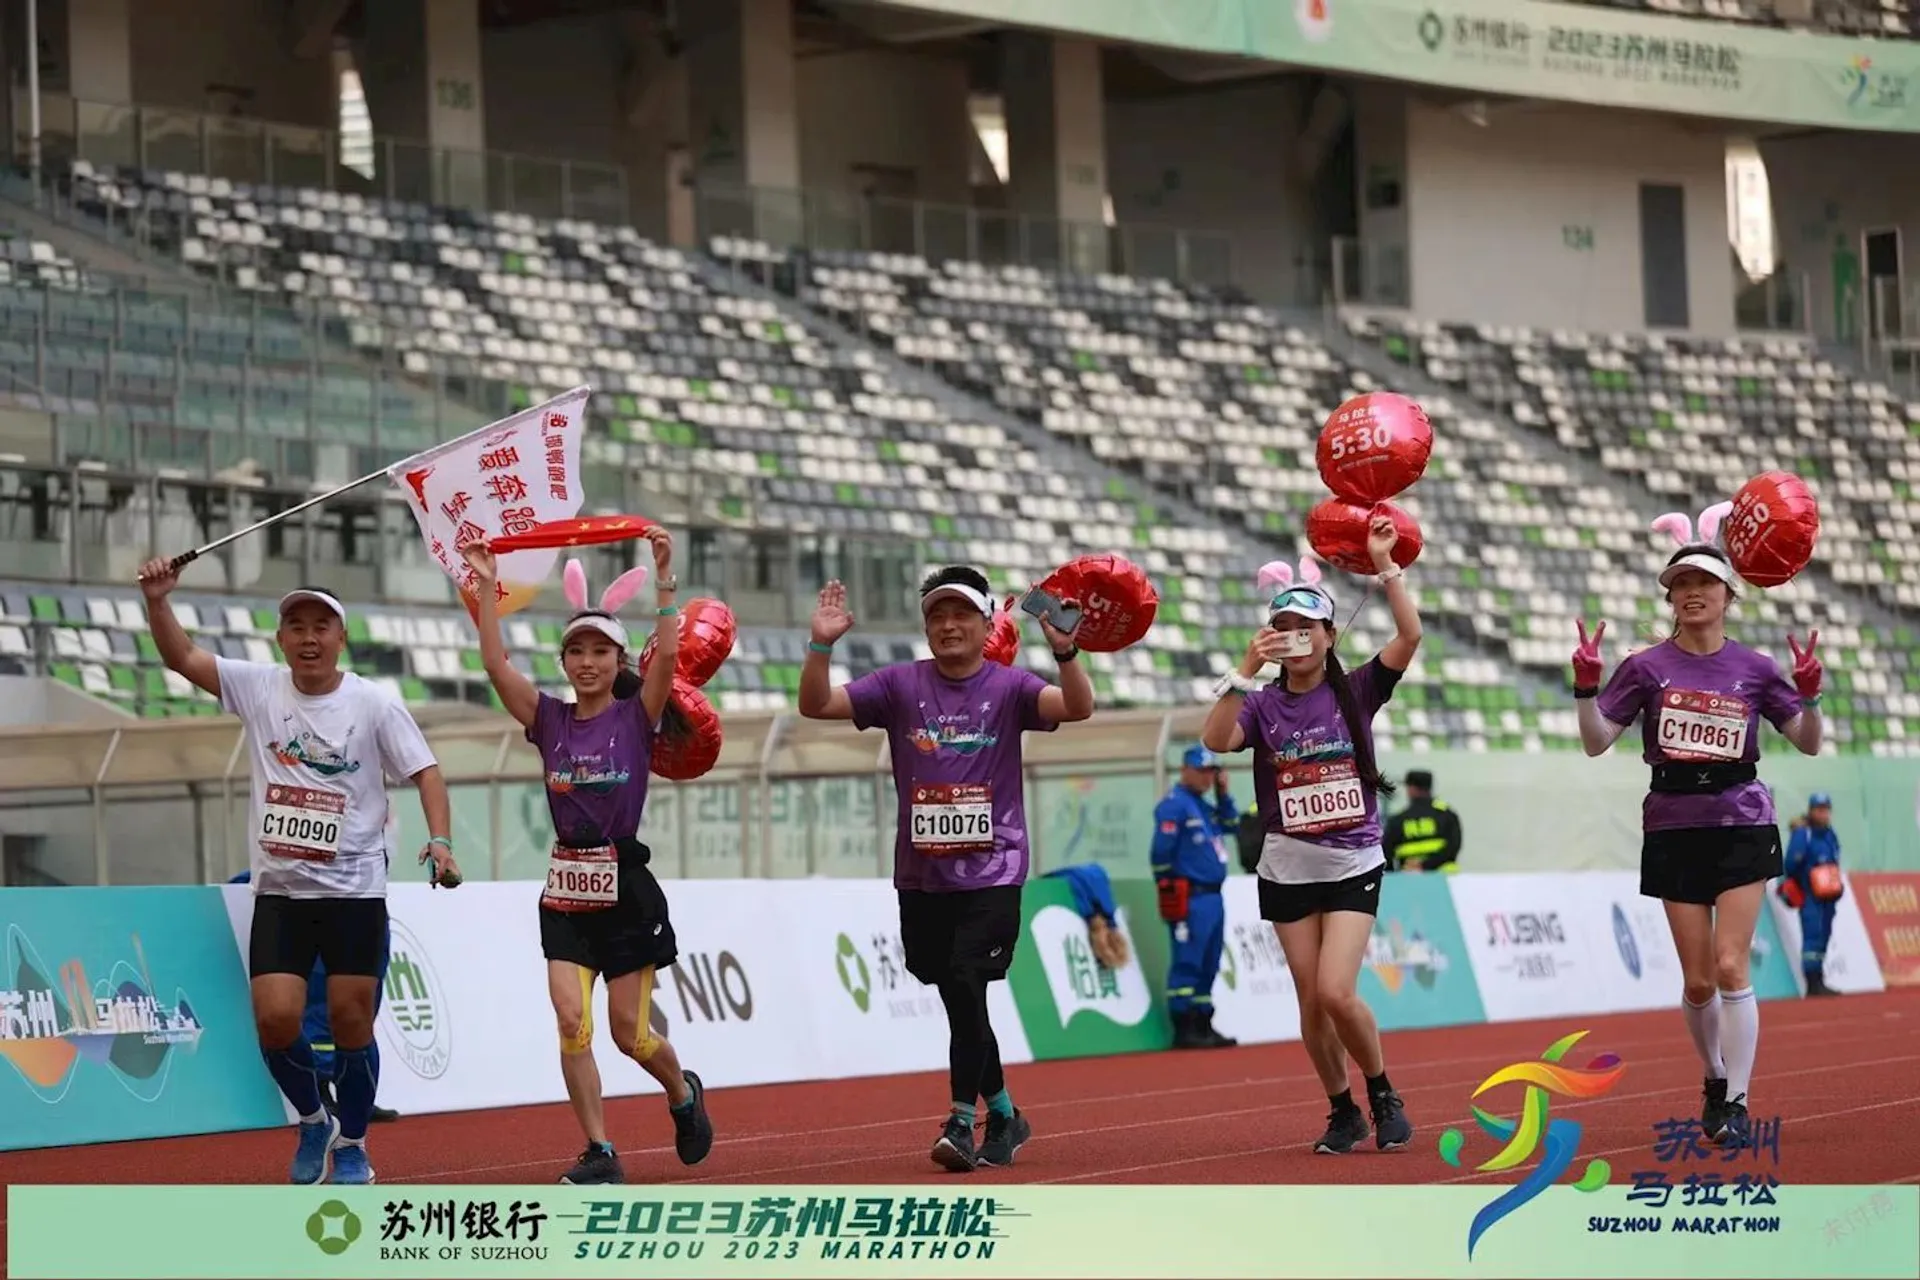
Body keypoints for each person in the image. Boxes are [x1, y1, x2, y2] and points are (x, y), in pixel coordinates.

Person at [139, 562, 457, 1186]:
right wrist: (156, 602)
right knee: (277, 1020)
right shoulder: (259, 688)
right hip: (282, 894)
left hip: (354, 893)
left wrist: (440, 841)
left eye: (322, 626)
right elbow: (182, 658)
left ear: (341, 638)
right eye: (296, 626)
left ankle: (355, 1146)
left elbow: (427, 770)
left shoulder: (372, 704)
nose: (309, 637)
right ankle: (314, 1118)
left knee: (350, 1022)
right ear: (279, 639)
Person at [799, 567, 1094, 1172]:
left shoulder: (1011, 687)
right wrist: (821, 644)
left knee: (965, 980)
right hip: (922, 875)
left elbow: (1077, 706)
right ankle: (1007, 1112)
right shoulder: (899, 686)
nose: (948, 625)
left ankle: (963, 1121)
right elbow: (816, 704)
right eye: (937, 616)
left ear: (988, 625)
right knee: (955, 992)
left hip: (994, 867)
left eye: (961, 614)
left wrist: (1065, 651)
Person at [461, 530, 714, 1185]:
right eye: (576, 650)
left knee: (630, 1035)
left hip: (626, 888)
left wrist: (664, 584)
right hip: (568, 889)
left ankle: (682, 1092)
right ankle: (600, 1150)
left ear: (617, 657)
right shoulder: (548, 720)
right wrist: (488, 589)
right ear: (565, 661)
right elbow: (494, 665)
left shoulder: (636, 717)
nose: (587, 661)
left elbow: (666, 663)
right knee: (572, 1021)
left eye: (600, 650)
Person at [1572, 510, 1823, 1150]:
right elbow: (1598, 744)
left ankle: (1737, 1101)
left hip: (1742, 821)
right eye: (1679, 582)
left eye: (1703, 583)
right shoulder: (1645, 667)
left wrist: (1811, 695)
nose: (1690, 592)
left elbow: (1808, 742)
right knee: (1699, 980)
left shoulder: (1759, 669)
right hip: (1674, 826)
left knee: (1733, 964)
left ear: (1726, 596)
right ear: (1671, 596)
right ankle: (1713, 1076)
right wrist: (1584, 687)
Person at [1199, 522, 1422, 1155]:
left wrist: (1384, 566)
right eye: (1284, 628)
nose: (1296, 638)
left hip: (1353, 860)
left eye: (1308, 627)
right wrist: (1246, 666)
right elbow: (1215, 741)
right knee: (1310, 1002)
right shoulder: (1261, 702)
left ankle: (1382, 1092)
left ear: (1329, 636)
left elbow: (1410, 636)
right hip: (1286, 868)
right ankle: (1341, 1109)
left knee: (1335, 990)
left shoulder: (1357, 689)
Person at [228, 870, 400, 1123]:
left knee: (358, 1006)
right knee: (317, 1001)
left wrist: (439, 842)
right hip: (303, 893)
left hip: (361, 889)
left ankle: (353, 1099)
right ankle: (318, 1093)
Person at [1152, 745, 1239, 1049]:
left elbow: (1232, 824)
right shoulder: (1174, 805)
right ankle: (1183, 1026)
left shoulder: (1203, 805)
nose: (1207, 777)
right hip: (1190, 896)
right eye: (1202, 771)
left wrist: (1224, 793)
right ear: (1185, 770)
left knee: (1209, 961)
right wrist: (1169, 890)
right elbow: (1160, 854)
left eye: (1212, 772)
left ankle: (1203, 1022)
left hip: (1213, 897)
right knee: (1187, 961)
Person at [1781, 792, 1844, 997]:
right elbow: (1791, 863)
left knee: (1824, 935)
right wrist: (1806, 880)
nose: (1823, 814)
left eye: (1826, 810)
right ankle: (1812, 983)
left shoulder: (1830, 834)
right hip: (1810, 896)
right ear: (1811, 811)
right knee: (1812, 937)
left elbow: (1835, 858)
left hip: (1828, 897)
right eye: (1819, 810)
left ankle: (1820, 979)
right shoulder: (1803, 834)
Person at [1384, 770, 1462, 873]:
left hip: (1409, 879)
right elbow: (1454, 847)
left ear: (1412, 789)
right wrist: (1426, 865)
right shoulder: (1447, 815)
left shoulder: (1398, 820)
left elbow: (1387, 854)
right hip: (1445, 879)